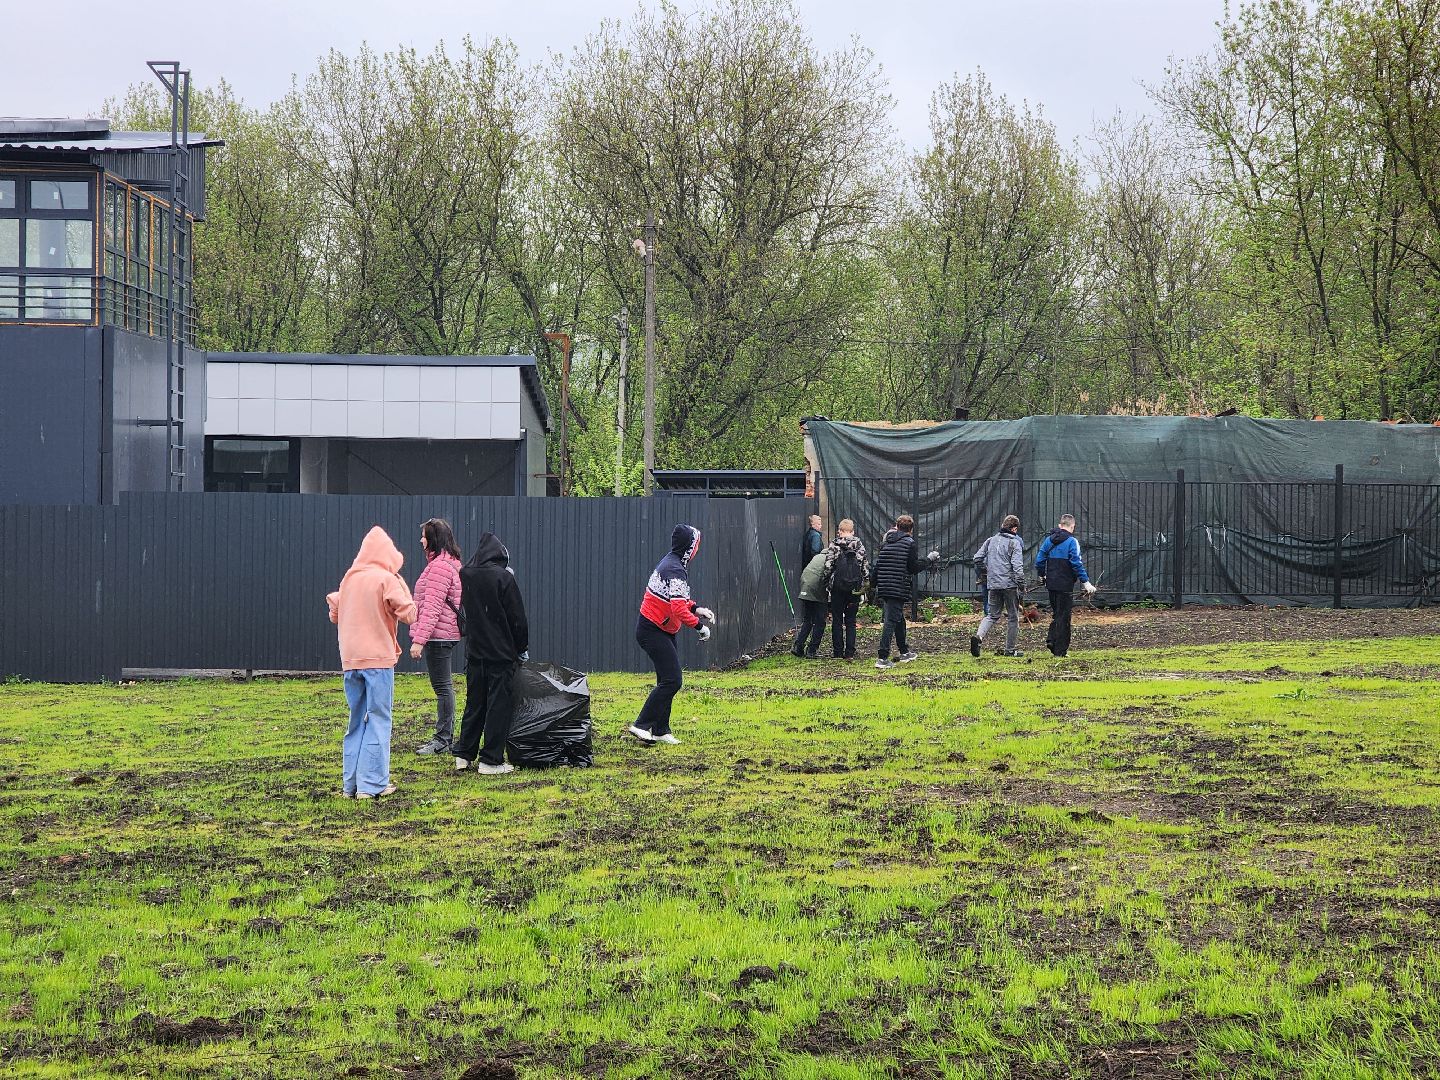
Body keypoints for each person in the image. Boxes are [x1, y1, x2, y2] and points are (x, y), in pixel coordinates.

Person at [326, 526, 417, 799]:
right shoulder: (386, 579)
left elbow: (335, 613)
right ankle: (373, 784)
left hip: (350, 660)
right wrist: (400, 582)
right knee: (379, 719)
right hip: (378, 659)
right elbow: (409, 614)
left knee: (356, 721)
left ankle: (350, 785)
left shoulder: (349, 579)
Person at [453, 533, 529, 776]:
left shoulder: (466, 575)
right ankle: (491, 760)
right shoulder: (503, 578)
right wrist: (521, 648)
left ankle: (464, 754)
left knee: (475, 703)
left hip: (475, 652)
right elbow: (517, 618)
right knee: (498, 705)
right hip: (501, 654)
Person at [631, 524, 714, 745]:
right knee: (673, 680)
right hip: (653, 630)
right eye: (696, 544)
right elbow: (678, 609)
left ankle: (661, 729)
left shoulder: (672, 562)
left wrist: (696, 608)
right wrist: (700, 626)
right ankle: (641, 725)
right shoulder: (675, 569)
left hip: (660, 628)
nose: (698, 548)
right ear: (689, 547)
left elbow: (677, 600)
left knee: (665, 679)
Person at [408, 518, 464, 755]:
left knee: (442, 687)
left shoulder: (439, 567)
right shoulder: (448, 563)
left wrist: (419, 640)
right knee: (444, 687)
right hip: (442, 633)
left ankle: (443, 739)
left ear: (433, 539)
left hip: (439, 635)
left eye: (424, 535)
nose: (420, 540)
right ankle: (445, 737)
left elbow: (432, 607)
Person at [871, 514, 939, 670]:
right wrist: (929, 559)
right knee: (890, 621)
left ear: (897, 526)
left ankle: (904, 652)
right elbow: (913, 568)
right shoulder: (910, 544)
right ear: (912, 529)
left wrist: (873, 584)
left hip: (885, 585)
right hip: (898, 586)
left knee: (898, 618)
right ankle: (882, 657)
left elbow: (878, 564)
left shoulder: (887, 542)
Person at [1036, 513, 1097, 657]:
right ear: (1072, 526)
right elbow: (1076, 563)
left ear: (1060, 525)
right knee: (1064, 617)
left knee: (1057, 614)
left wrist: (1042, 575)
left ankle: (1052, 640)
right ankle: (1060, 650)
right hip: (1065, 584)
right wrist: (1086, 582)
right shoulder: (1072, 541)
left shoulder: (1048, 540)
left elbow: (1039, 560)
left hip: (1051, 583)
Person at [971, 514, 1025, 658]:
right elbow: (1017, 567)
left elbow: (977, 558)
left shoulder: (990, 540)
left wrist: (985, 572)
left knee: (992, 615)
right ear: (1014, 529)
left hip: (993, 584)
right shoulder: (1015, 543)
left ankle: (979, 637)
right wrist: (1021, 585)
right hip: (1009, 585)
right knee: (1013, 617)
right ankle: (1010, 650)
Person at [823, 519, 868, 661]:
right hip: (854, 589)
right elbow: (864, 568)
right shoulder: (859, 546)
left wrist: (826, 581)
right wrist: (865, 583)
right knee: (850, 620)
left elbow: (828, 566)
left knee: (836, 620)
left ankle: (837, 651)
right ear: (853, 531)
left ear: (840, 531)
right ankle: (849, 652)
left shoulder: (834, 545)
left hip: (837, 588)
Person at [793, 550, 830, 658]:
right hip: (817, 590)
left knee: (808, 619)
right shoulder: (830, 559)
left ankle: (798, 646)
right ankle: (812, 650)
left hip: (805, 587)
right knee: (820, 621)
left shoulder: (817, 557)